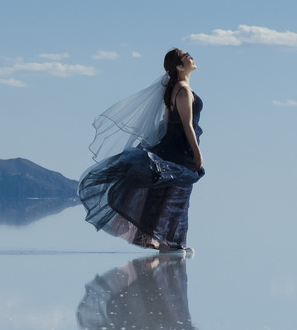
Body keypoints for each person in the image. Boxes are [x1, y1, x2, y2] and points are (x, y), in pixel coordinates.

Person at [78, 48, 204, 251]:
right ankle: (170, 242)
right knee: (177, 195)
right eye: (185, 55)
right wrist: (198, 153)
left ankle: (162, 240)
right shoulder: (183, 90)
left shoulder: (174, 89)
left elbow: (166, 120)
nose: (190, 55)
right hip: (181, 150)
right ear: (180, 66)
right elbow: (187, 125)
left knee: (166, 194)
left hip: (173, 147)